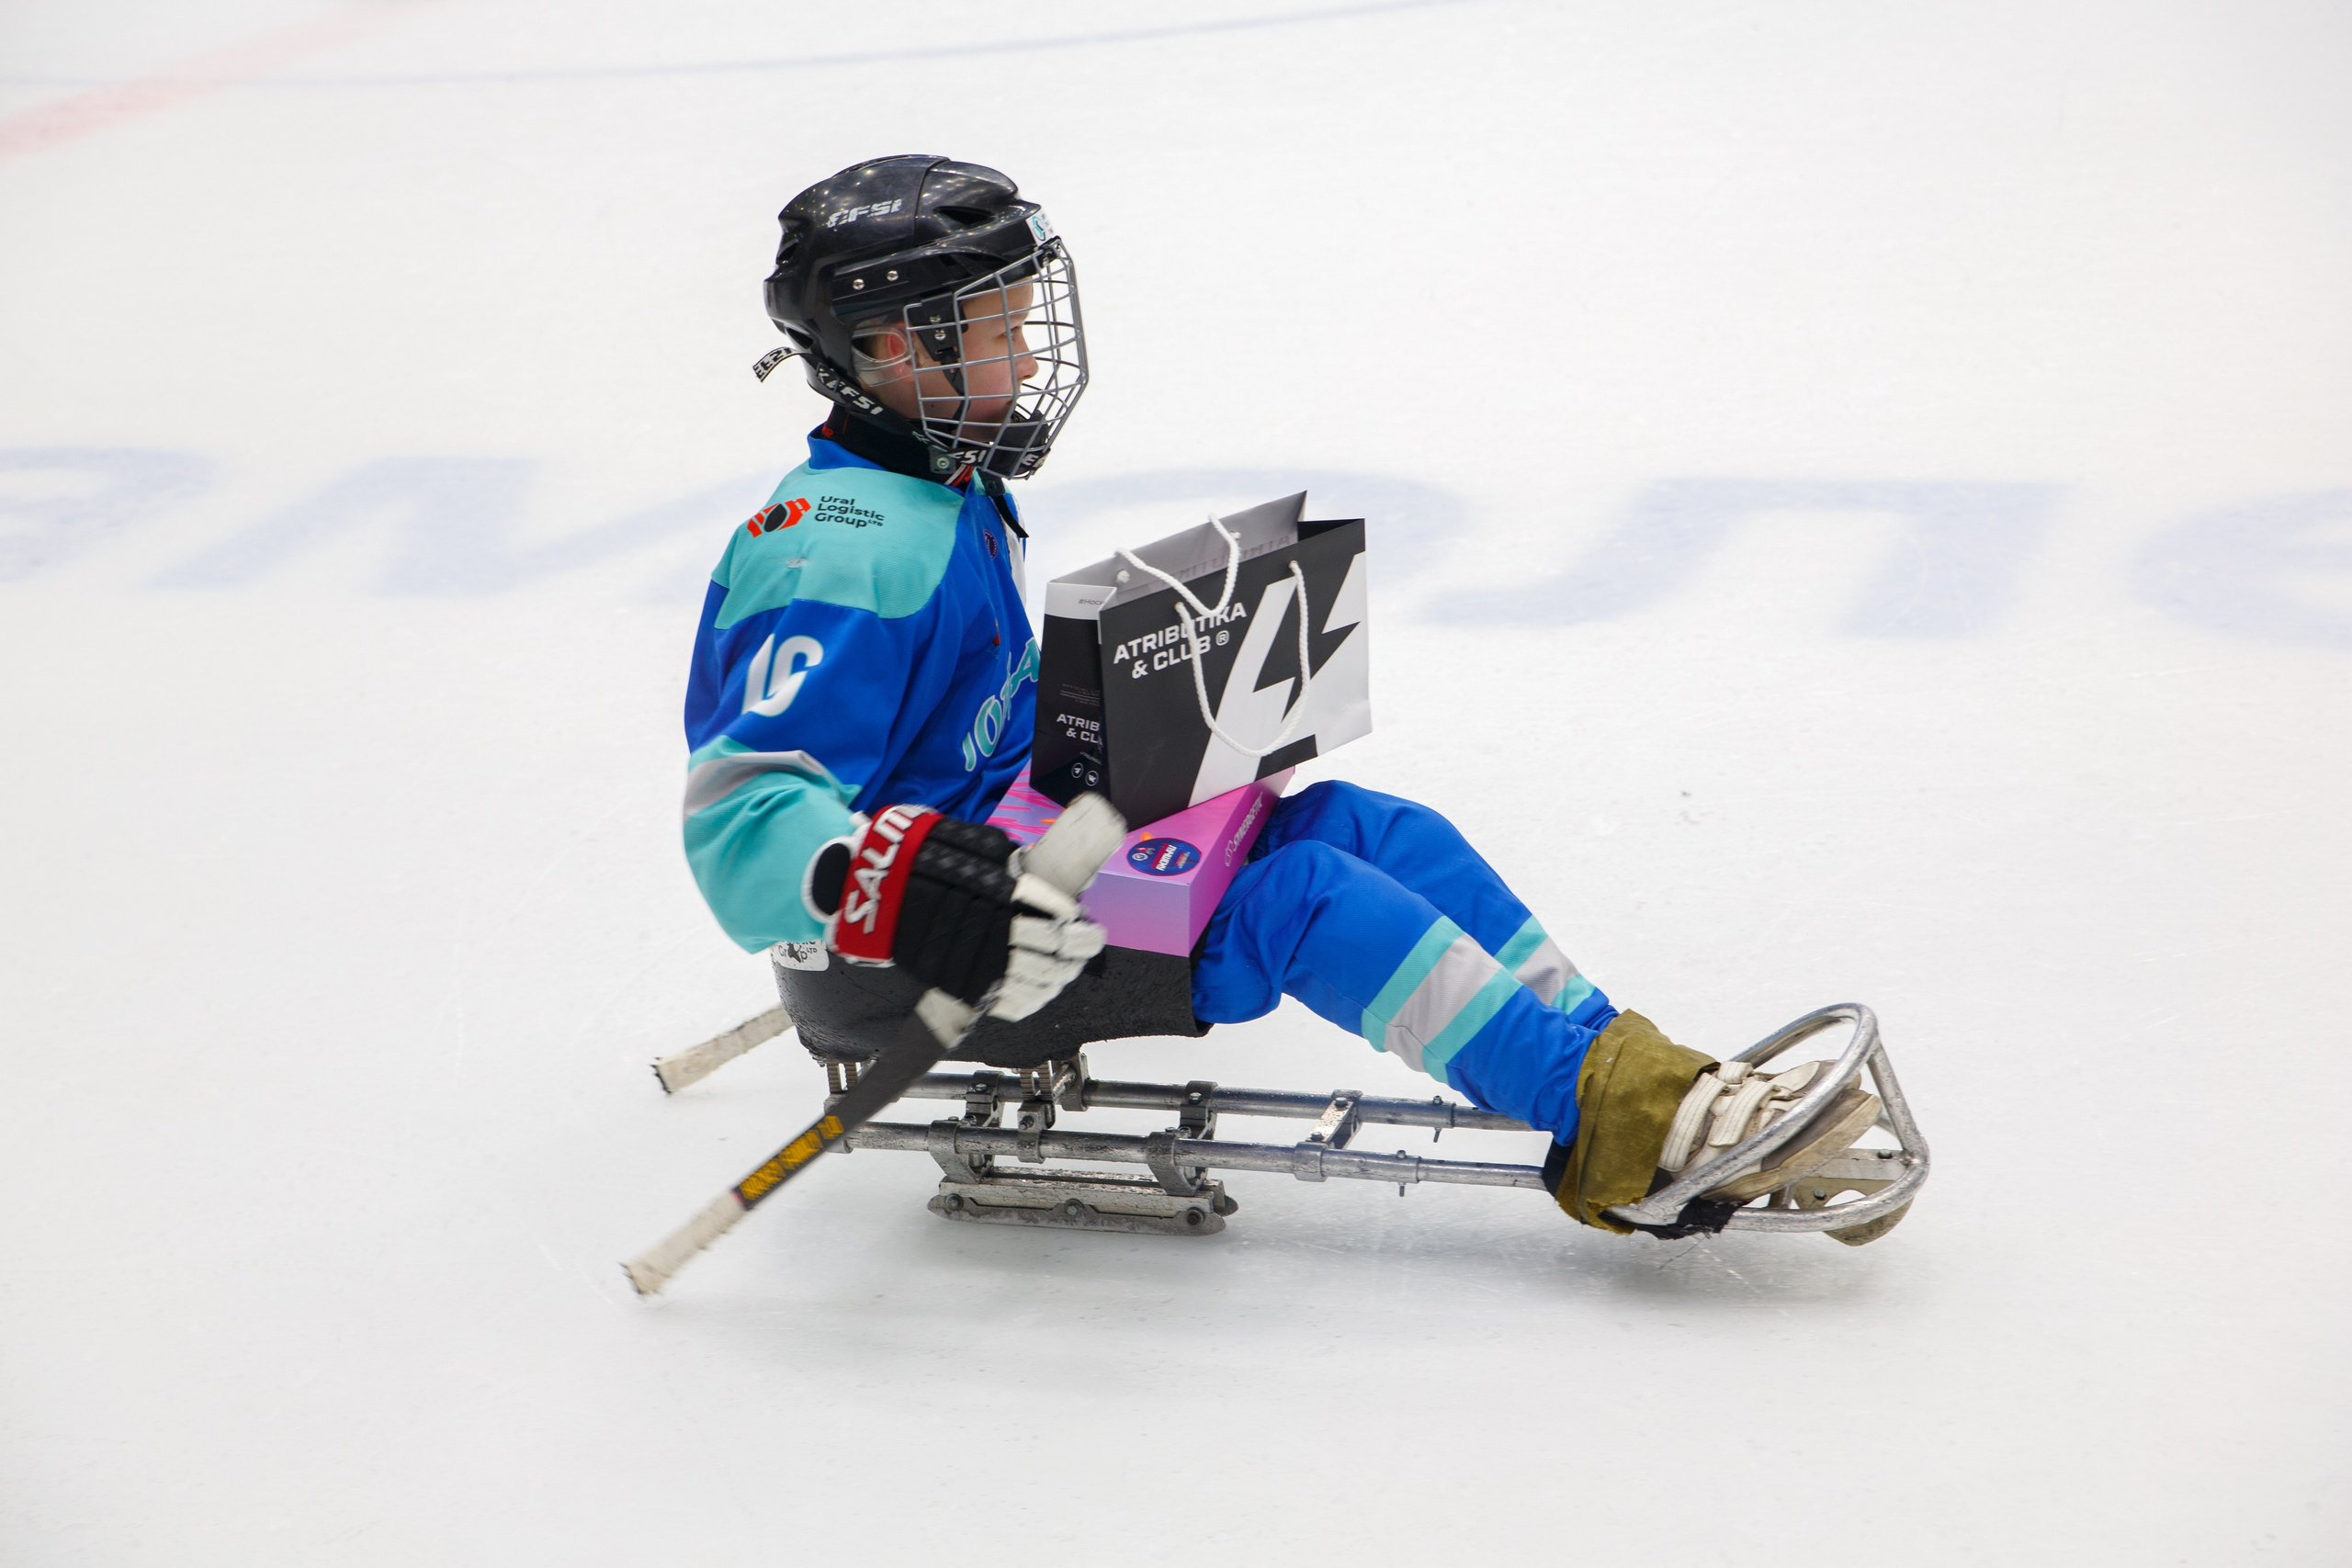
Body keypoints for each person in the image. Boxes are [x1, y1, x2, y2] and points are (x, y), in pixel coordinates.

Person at [680, 155, 1880, 1236]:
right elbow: (742, 827)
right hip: (940, 953)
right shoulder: (839, 555)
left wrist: (1161, 704)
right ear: (892, 349)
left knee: (1367, 830)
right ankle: (1627, 1123)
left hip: (1018, 848)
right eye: (994, 331)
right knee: (1300, 898)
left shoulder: (943, 493)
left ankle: (1624, 1075)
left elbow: (966, 711)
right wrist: (912, 891)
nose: (1034, 359)